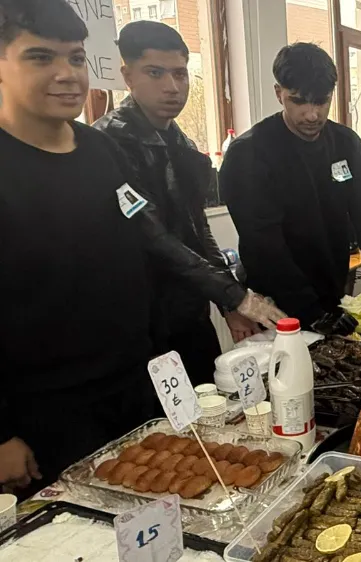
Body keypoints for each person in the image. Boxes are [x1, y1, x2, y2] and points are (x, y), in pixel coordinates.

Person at [0, 0, 279, 497]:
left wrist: (233, 295)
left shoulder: (99, 150)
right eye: (40, 57)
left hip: (136, 377)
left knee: (166, 503)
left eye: (76, 57)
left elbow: (150, 233)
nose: (67, 74)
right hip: (47, 404)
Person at [93, 21, 262, 384]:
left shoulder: (182, 144)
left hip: (190, 314)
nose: (172, 86)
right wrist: (234, 296)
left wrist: (228, 304)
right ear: (128, 76)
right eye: (155, 73)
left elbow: (197, 230)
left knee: (213, 405)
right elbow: (152, 236)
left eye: (180, 73)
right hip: (138, 322)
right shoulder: (106, 143)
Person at [220, 43, 361, 336]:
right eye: (299, 101)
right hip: (273, 304)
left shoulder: (346, 144)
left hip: (330, 289)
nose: (312, 115)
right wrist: (311, 312)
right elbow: (265, 247)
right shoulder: (249, 154)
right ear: (278, 93)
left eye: (321, 101)